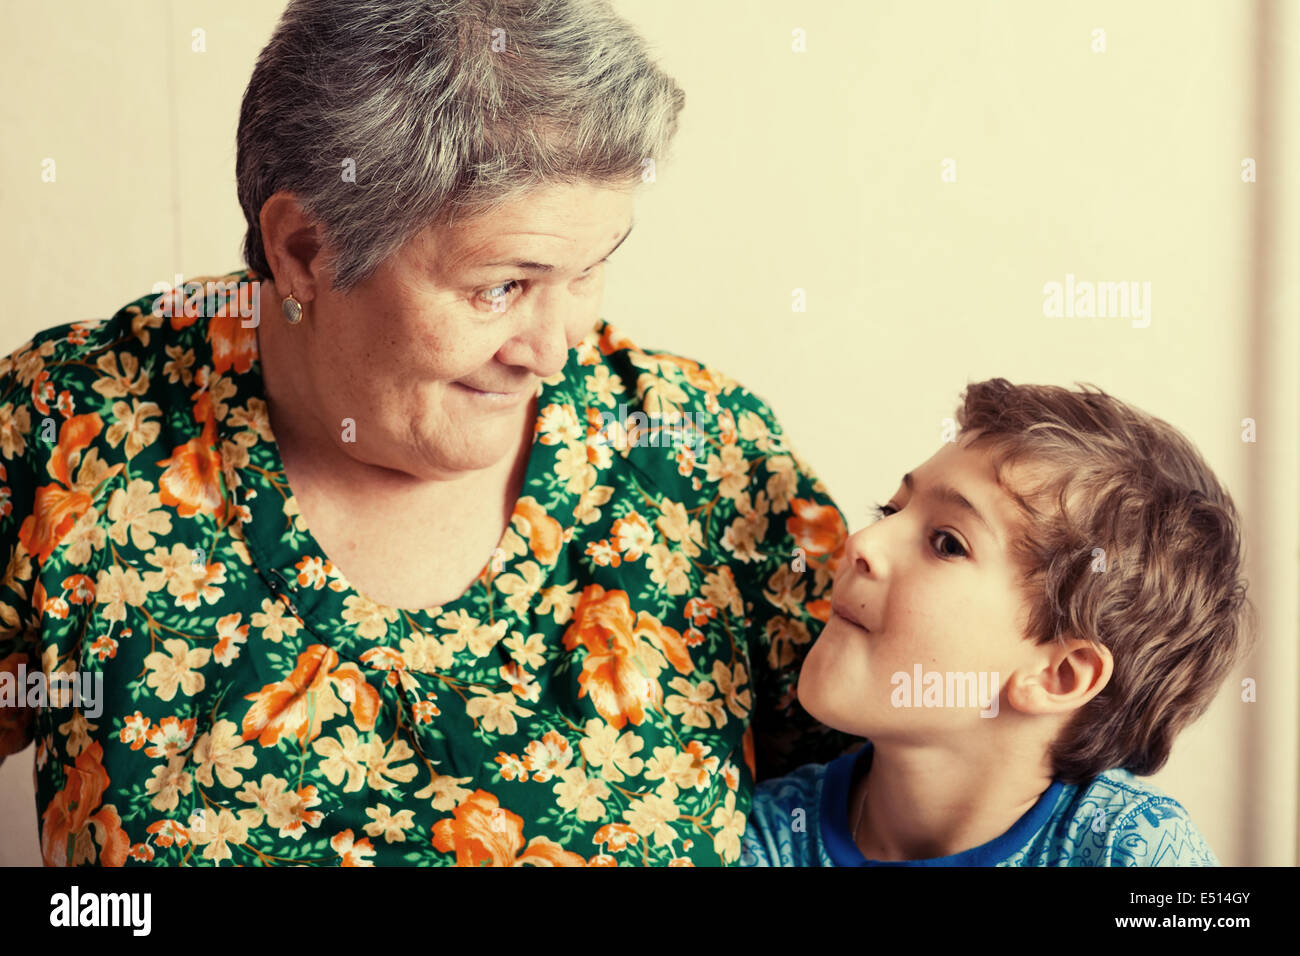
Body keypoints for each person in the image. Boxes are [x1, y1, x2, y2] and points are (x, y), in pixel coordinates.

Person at [0, 0, 857, 867]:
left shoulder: (704, 455)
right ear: (304, 250)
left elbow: (908, 807)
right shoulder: (67, 428)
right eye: (501, 287)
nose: (555, 352)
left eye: (590, 269)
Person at [740, 379, 1254, 866]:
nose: (861, 543)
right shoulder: (760, 836)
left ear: (1061, 675)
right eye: (888, 510)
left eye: (947, 543)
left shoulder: (1132, 847)